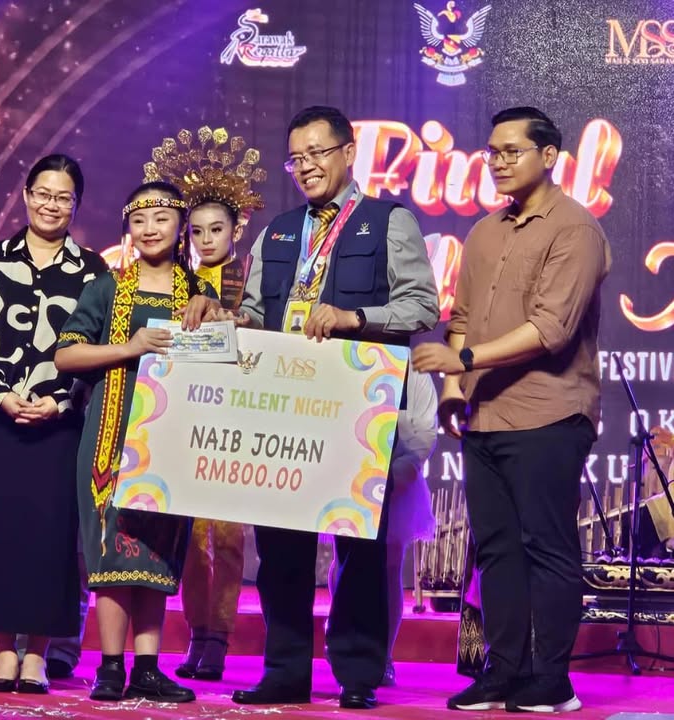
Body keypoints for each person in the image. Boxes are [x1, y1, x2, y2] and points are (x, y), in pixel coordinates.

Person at [215, 105, 440, 710]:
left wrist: (354, 317)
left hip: (356, 407)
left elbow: (422, 306)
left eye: (317, 153)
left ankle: (359, 674)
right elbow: (257, 317)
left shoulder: (388, 221)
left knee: (359, 547)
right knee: (280, 549)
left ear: (348, 153)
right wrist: (227, 320)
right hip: (282, 407)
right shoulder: (278, 231)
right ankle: (285, 671)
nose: (307, 166)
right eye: (296, 158)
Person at [412, 106, 611, 713]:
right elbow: (463, 317)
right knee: (495, 547)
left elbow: (551, 330)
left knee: (546, 546)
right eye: (492, 152)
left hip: (550, 412)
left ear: (548, 156)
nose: (497, 162)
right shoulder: (484, 232)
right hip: (484, 415)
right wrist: (454, 388)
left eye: (511, 151)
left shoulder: (575, 229)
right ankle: (503, 672)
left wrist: (464, 359)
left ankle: (552, 681)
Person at [55, 180, 219, 703]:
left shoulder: (200, 295)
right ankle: (109, 666)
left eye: (161, 219)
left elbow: (222, 360)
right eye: (140, 219)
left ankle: (147, 667)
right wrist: (130, 347)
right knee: (109, 552)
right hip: (109, 436)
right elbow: (66, 355)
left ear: (181, 226)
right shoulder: (106, 288)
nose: (150, 229)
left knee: (157, 553)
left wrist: (220, 317)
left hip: (171, 441)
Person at [0, 154, 107, 694]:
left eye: (63, 197)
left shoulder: (94, 271)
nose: (51, 205)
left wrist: (60, 402)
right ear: (25, 195)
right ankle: (2, 652)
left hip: (58, 424)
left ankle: (38, 655)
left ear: (76, 205)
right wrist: (1, 394)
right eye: (43, 193)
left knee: (50, 536)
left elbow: (95, 346)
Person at [140, 127, 265, 682]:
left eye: (217, 229)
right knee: (190, 538)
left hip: (238, 418)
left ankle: (220, 637)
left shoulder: (253, 281)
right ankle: (196, 633)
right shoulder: (176, 279)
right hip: (186, 418)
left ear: (238, 229)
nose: (206, 239)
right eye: (196, 230)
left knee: (230, 536)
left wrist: (241, 321)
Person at [328, 362, 437, 686]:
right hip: (348, 474)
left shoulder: (416, 372)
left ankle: (383, 653)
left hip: (397, 480)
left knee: (390, 565)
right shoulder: (351, 360)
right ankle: (342, 636)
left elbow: (424, 434)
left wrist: (394, 475)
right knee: (344, 558)